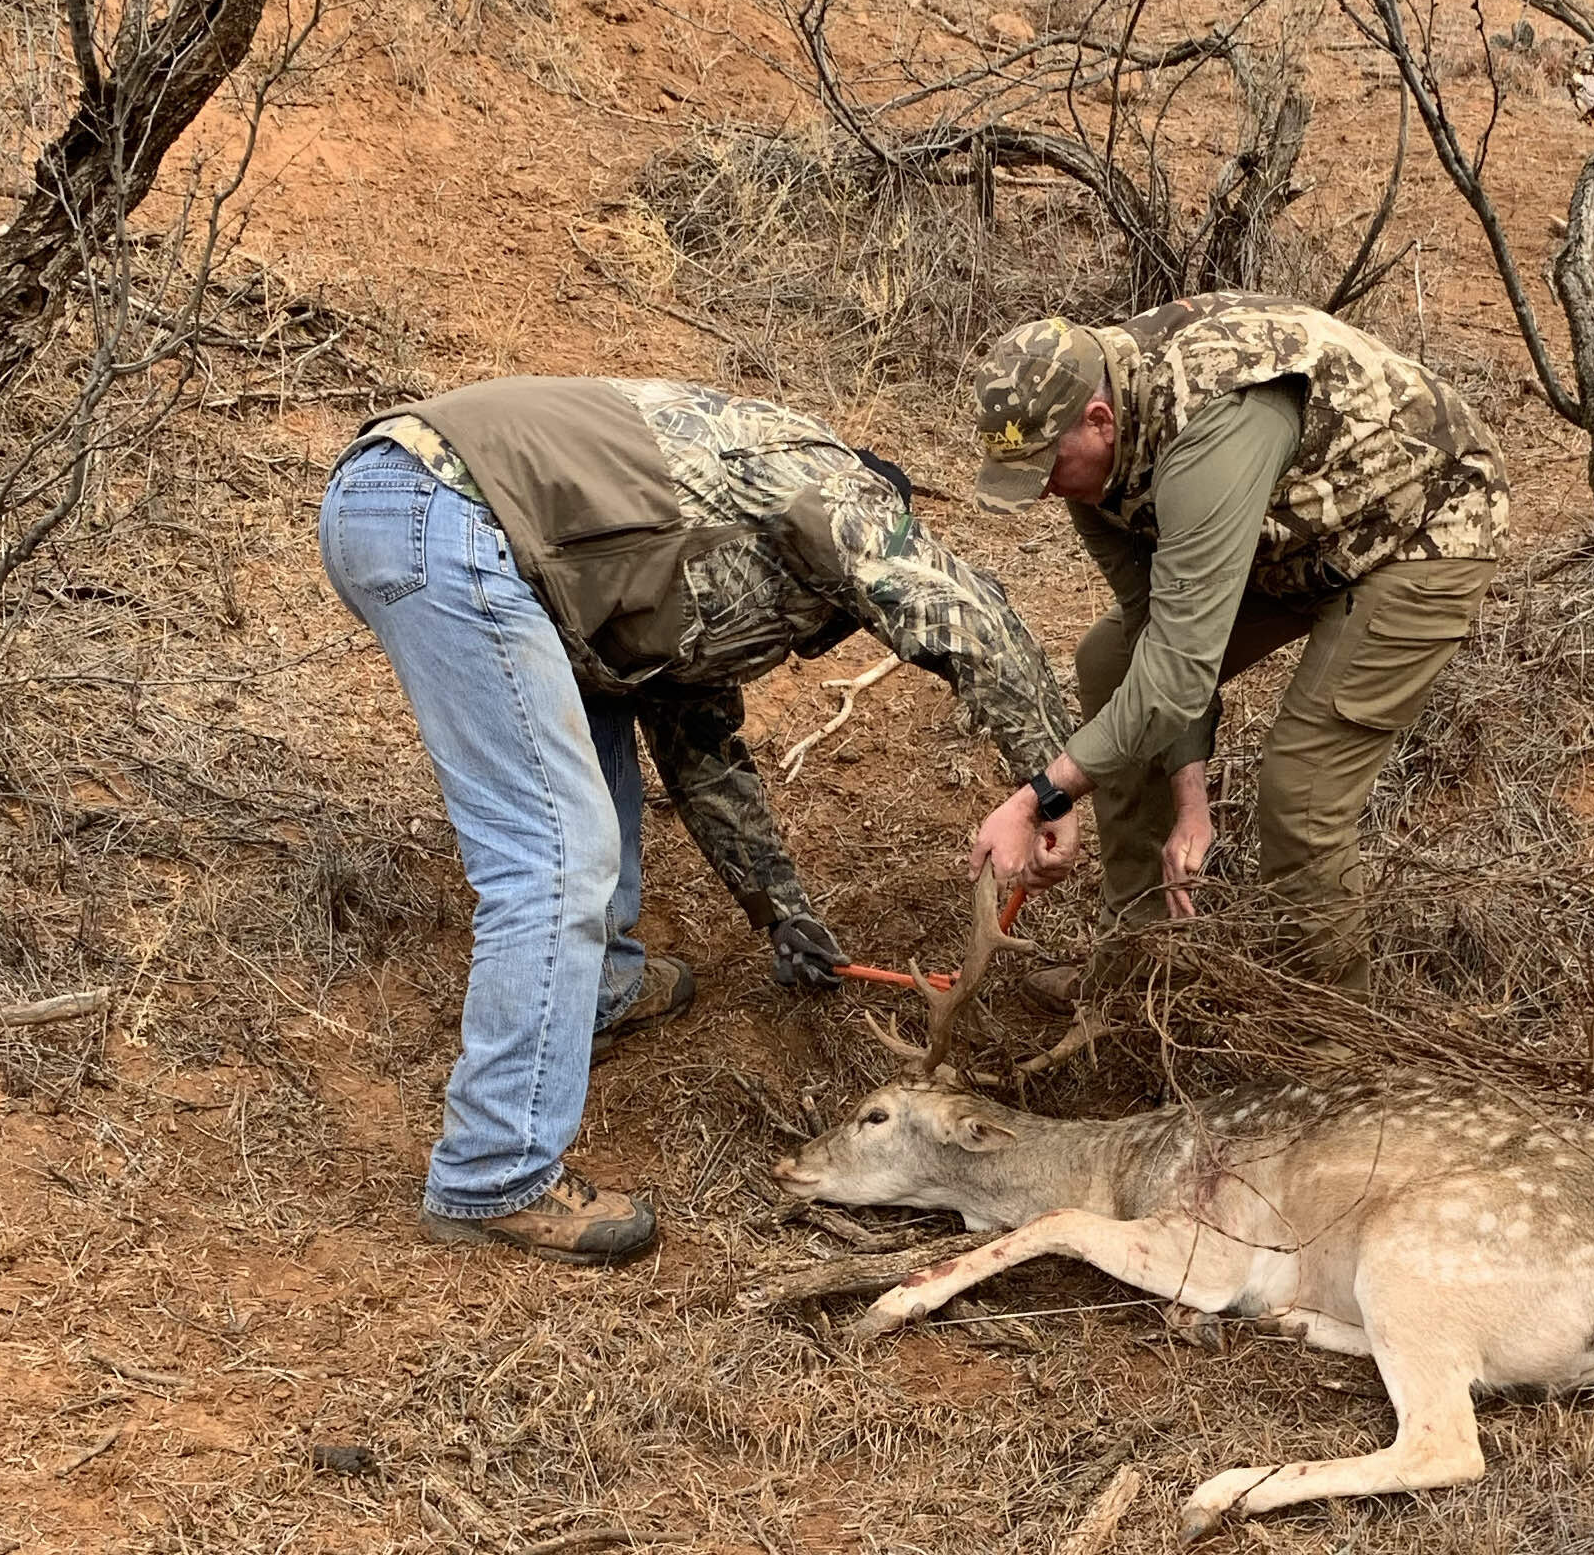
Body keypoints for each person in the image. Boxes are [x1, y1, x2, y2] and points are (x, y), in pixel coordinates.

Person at [320, 376, 1071, 1264]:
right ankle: (495, 1173)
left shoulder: (703, 553)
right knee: (557, 855)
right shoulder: (834, 490)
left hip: (436, 517)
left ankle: (593, 990)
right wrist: (1050, 787)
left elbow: (701, 753)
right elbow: (970, 617)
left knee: (597, 750)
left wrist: (781, 912)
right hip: (445, 514)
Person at [960, 294, 1509, 986]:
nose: (1042, 492)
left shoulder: (1207, 431)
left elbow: (1179, 674)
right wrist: (1190, 805)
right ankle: (1137, 964)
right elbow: (1151, 634)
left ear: (1097, 421)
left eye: (1045, 469)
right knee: (1110, 663)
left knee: (1301, 791)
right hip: (1292, 538)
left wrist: (1041, 795)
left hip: (1420, 528)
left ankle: (1332, 1049)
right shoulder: (1096, 467)